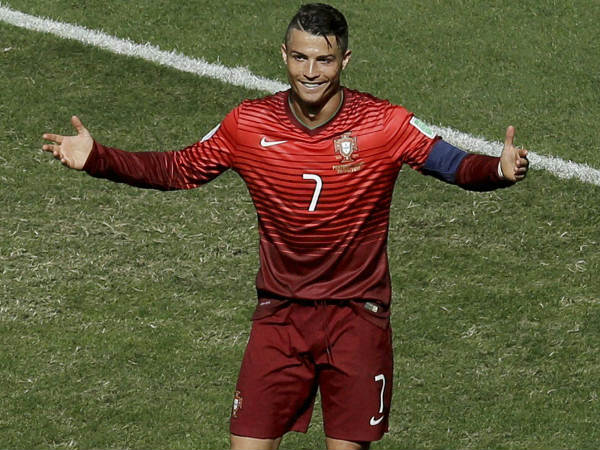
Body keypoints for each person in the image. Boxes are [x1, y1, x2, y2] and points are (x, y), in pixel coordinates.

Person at [42, 3, 528, 449]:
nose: (310, 72)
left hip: (356, 317)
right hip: (280, 315)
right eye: (300, 58)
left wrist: (496, 170)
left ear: (345, 60)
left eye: (324, 60)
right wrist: (100, 158)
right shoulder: (247, 124)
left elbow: (451, 163)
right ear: (283, 55)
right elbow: (178, 168)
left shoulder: (384, 124)